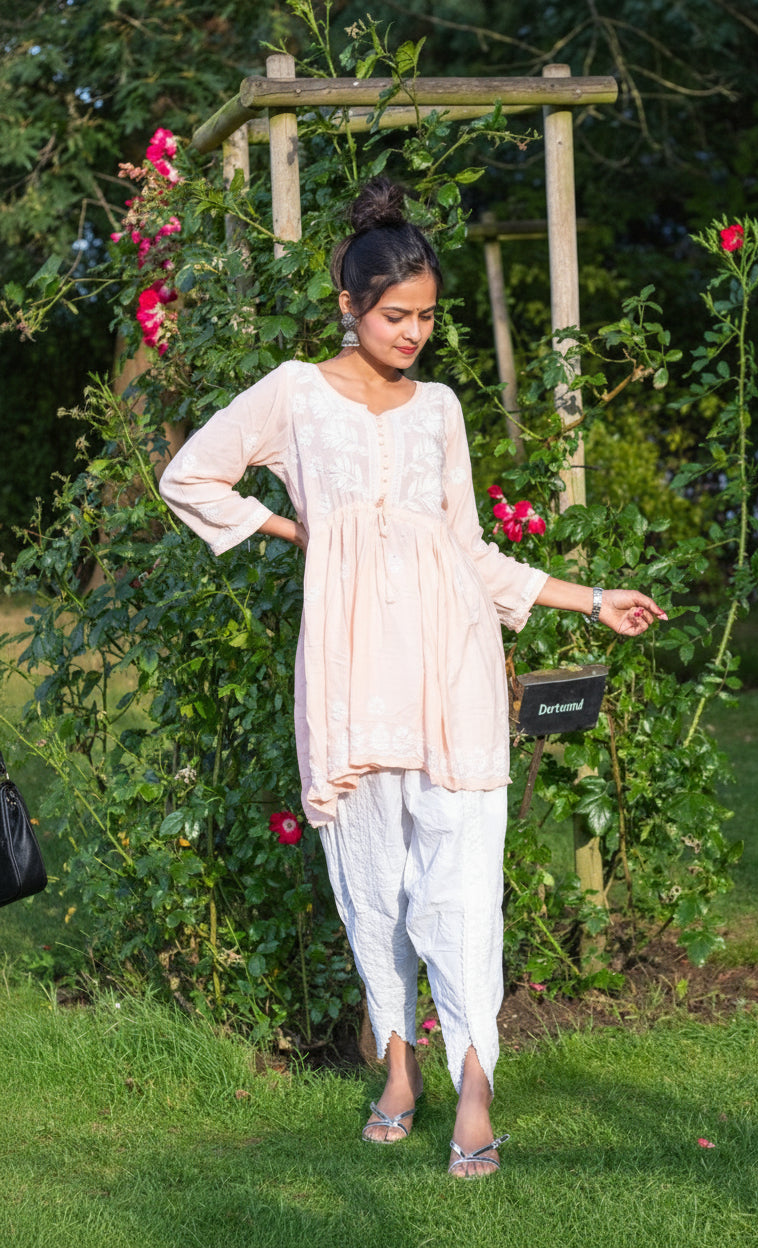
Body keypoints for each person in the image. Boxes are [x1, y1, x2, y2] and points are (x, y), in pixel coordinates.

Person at [159, 177, 667, 1179]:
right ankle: (399, 1066)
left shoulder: (439, 408)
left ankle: (474, 1080)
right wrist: (289, 526)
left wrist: (591, 596)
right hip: (351, 682)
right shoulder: (294, 394)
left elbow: (468, 551)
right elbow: (190, 474)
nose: (416, 333)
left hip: (453, 671)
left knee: (463, 885)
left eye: (429, 316)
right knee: (372, 884)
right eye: (398, 315)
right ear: (348, 308)